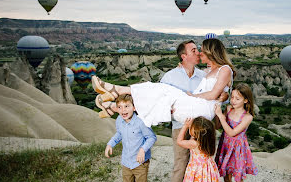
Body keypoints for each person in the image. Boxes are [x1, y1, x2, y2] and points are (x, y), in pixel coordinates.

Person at [92, 38, 236, 128]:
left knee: (163, 90)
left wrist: (194, 96)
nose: (200, 54)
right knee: (159, 92)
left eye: (202, 51)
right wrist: (184, 66)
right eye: (197, 51)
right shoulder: (207, 71)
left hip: (202, 109)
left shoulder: (224, 69)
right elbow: (216, 90)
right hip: (193, 107)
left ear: (211, 52)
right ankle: (113, 105)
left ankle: (117, 92)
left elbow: (214, 93)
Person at [159, 40, 215, 182]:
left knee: (203, 164)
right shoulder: (170, 77)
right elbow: (161, 102)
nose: (198, 52)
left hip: (203, 129)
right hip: (181, 127)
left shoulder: (203, 75)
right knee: (180, 167)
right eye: (193, 50)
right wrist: (170, 113)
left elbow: (214, 95)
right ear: (184, 56)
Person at [104, 94, 157, 182]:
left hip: (140, 162)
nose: (123, 110)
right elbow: (119, 134)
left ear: (134, 107)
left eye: (127, 106)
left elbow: (151, 137)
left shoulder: (140, 121)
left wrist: (142, 149)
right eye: (120, 107)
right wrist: (110, 144)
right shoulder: (119, 121)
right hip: (126, 161)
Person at [214, 83, 258, 182]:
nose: (233, 100)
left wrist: (221, 117)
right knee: (226, 177)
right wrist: (218, 114)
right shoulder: (228, 109)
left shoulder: (247, 117)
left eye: (237, 98)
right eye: (232, 97)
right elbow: (218, 126)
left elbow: (232, 132)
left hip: (237, 149)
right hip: (225, 146)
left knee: (238, 179)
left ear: (246, 100)